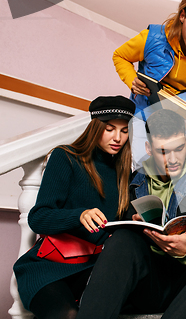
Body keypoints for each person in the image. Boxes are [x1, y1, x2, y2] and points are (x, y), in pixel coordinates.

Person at [76, 109, 186, 319]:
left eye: (178, 148)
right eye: (163, 151)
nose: (172, 159)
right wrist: (133, 226)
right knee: (123, 239)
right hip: (146, 283)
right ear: (149, 149)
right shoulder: (134, 179)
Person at [13, 96, 135, 319]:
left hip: (94, 268)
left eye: (124, 131)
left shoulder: (125, 174)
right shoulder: (66, 157)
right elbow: (38, 218)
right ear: (95, 127)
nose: (118, 137)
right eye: (109, 129)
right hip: (50, 267)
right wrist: (79, 215)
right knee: (67, 314)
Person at [113, 0, 186, 166]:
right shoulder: (151, 37)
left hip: (179, 123)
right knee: (140, 167)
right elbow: (119, 56)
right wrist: (131, 79)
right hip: (143, 116)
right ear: (182, 16)